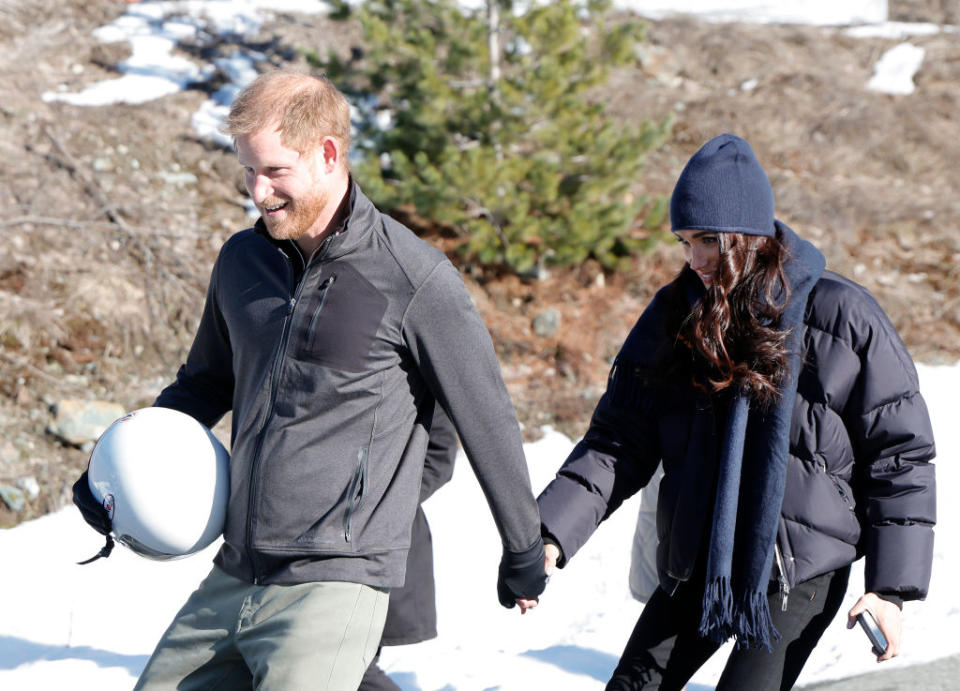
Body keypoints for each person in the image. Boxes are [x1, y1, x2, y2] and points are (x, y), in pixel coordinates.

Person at [72, 69, 546, 690]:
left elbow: (484, 420)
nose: (257, 192)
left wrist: (523, 550)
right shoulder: (243, 260)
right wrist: (116, 472)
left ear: (328, 153)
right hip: (236, 567)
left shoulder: (412, 278)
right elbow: (202, 386)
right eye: (247, 171)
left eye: (274, 171)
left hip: (335, 577)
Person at [532, 133, 936, 690]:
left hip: (801, 565)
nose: (692, 259)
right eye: (683, 241)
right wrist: (550, 532)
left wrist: (891, 587)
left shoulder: (841, 316)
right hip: (702, 559)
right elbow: (619, 437)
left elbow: (901, 456)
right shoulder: (676, 314)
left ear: (750, 234)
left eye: (707, 240)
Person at [359, 406, 457, 690]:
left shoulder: (415, 368)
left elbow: (440, 454)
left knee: (351, 667)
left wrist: (380, 504)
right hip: (297, 541)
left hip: (377, 544)